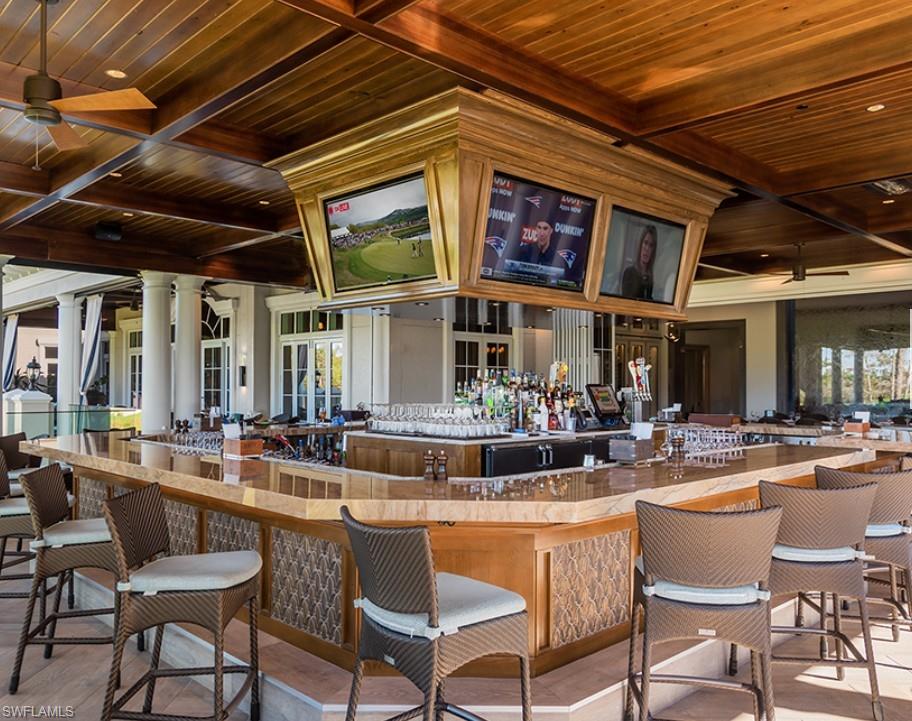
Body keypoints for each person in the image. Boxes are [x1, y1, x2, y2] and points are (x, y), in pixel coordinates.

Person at [621, 224, 657, 300]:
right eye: (645, 243)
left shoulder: (649, 277)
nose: (647, 249)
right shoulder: (629, 272)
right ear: (641, 244)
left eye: (651, 245)